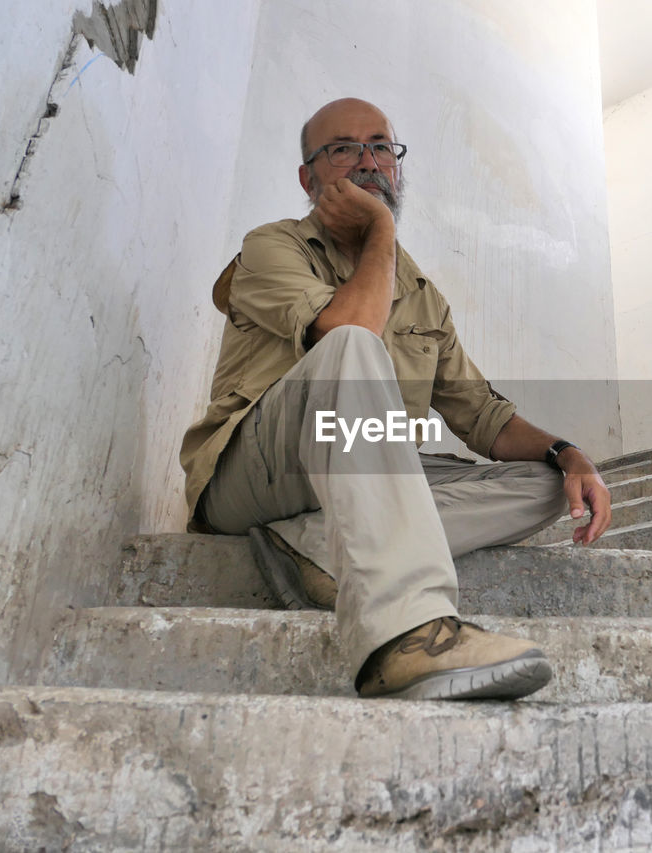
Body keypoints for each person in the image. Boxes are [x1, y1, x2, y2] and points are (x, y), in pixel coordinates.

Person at [179, 97, 611, 701]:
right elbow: (349, 324)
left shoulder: (422, 295)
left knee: (542, 483)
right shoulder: (270, 247)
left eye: (381, 147)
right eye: (343, 149)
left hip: (360, 468)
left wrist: (570, 454)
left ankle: (310, 545)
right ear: (308, 177)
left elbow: (483, 417)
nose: (368, 162)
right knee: (352, 348)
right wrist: (381, 226)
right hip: (254, 474)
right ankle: (410, 632)